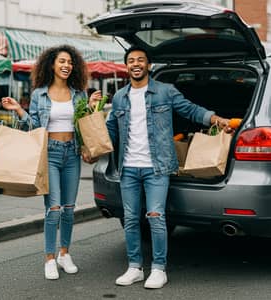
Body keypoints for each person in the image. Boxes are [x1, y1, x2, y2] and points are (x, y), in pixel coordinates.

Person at [88, 45, 231, 289]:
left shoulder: (165, 91)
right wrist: (92, 138)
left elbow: (190, 109)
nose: (135, 63)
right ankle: (134, 267)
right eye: (131, 60)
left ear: (148, 65)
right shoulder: (120, 97)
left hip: (157, 167)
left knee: (156, 217)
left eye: (140, 60)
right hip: (128, 169)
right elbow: (110, 130)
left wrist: (215, 118)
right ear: (126, 66)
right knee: (131, 219)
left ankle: (158, 269)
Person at [2, 45, 98, 280]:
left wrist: (94, 107)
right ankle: (49, 258)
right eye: (62, 62)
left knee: (68, 209)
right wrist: (19, 110)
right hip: (50, 154)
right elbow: (35, 126)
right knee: (53, 209)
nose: (66, 66)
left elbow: (83, 124)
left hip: (72, 154)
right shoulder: (39, 94)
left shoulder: (79, 92)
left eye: (70, 62)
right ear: (52, 65)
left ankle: (65, 253)